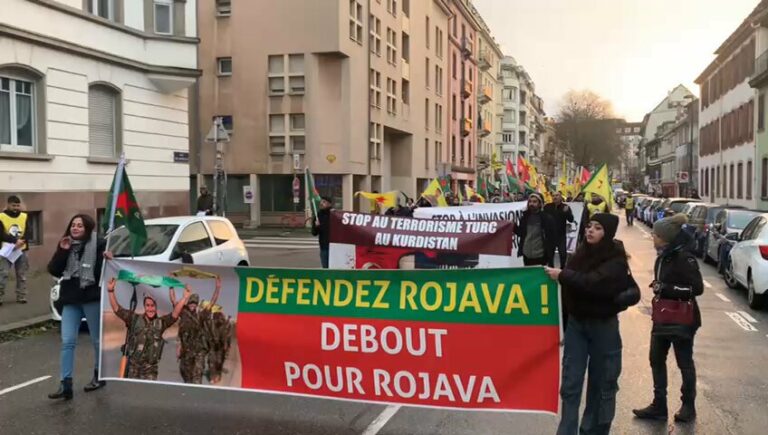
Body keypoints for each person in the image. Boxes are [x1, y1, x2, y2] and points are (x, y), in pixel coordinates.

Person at [544, 213, 628, 435]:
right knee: (570, 383)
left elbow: (594, 283)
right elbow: (567, 293)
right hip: (577, 326)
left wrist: (563, 275)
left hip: (604, 327)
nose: (590, 230)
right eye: (589, 226)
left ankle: (593, 430)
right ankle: (567, 431)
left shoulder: (616, 260)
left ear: (607, 233)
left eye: (598, 228)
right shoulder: (579, 255)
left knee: (602, 384)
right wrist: (562, 326)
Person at [633, 213, 703, 423]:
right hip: (662, 317)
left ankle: (688, 406)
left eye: (656, 234)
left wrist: (666, 288)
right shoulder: (664, 256)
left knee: (684, 363)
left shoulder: (684, 257)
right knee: (656, 359)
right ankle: (659, 405)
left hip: (683, 319)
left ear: (666, 237)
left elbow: (696, 289)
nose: (652, 236)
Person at [47, 214, 111, 400]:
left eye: (80, 226)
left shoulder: (99, 245)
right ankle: (65, 383)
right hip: (71, 299)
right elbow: (54, 270)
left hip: (91, 298)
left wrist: (108, 259)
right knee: (67, 341)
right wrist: (62, 251)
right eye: (73, 225)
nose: (75, 228)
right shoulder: (66, 244)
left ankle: (100, 375)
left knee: (96, 340)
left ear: (88, 229)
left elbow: (101, 274)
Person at [108, 278, 190, 380]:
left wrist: (184, 298)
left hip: (150, 370)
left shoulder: (161, 322)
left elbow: (175, 314)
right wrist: (110, 291)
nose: (150, 308)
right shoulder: (134, 319)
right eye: (147, 305)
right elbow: (116, 309)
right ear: (144, 306)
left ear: (156, 307)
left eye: (152, 306)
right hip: (133, 368)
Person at [174, 277, 221, 384]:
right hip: (186, 352)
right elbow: (173, 300)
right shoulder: (183, 313)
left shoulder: (201, 315)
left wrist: (217, 288)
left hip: (199, 352)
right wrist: (171, 286)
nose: (193, 305)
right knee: (186, 376)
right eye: (191, 302)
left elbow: (212, 303)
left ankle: (196, 396)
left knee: (197, 376)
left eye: (195, 303)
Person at [0, 195, 30, 305]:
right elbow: (1, 234)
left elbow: (28, 231)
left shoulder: (24, 216)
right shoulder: (1, 217)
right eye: (13, 205)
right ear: (8, 204)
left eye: (18, 205)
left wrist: (22, 241)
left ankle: (21, 296)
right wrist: (14, 241)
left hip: (21, 250)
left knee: (21, 274)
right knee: (3, 274)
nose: (16, 208)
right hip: (6, 250)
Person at [514, 193, 556, 266]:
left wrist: (549, 256)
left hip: (540, 255)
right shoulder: (524, 218)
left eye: (534, 201)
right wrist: (513, 226)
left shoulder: (547, 218)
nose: (531, 204)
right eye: (530, 201)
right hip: (527, 254)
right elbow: (521, 233)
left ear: (540, 204)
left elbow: (552, 239)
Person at [544, 191, 575, 268]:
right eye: (553, 195)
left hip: (561, 235)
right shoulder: (547, 207)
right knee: (549, 255)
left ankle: (562, 270)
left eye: (557, 195)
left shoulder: (565, 207)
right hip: (549, 236)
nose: (555, 197)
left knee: (563, 254)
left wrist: (567, 212)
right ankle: (551, 269)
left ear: (561, 197)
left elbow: (571, 219)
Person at [311, 197, 332, 268]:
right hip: (324, 247)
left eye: (324, 202)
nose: (321, 204)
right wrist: (316, 226)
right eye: (321, 202)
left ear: (329, 204)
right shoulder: (318, 216)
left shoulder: (334, 215)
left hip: (334, 247)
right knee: (325, 268)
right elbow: (314, 233)